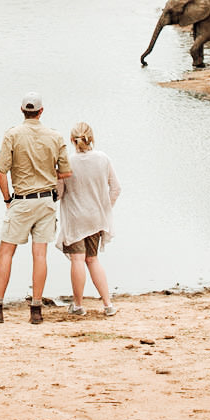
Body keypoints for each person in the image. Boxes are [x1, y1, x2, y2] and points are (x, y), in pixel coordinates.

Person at [0, 92, 71, 324]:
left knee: (6, 252)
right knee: (40, 254)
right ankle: (36, 309)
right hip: (45, 201)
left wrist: (7, 200)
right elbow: (65, 172)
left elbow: (1, 171)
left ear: (22, 110)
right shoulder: (55, 136)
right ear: (41, 111)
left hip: (22, 200)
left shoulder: (12, 134)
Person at [57, 121, 121, 316]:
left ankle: (77, 305)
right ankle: (108, 305)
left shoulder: (67, 162)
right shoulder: (103, 158)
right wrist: (105, 208)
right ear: (91, 138)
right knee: (92, 260)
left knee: (77, 260)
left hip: (76, 218)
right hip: (96, 218)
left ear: (72, 140)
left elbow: (59, 193)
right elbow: (116, 188)